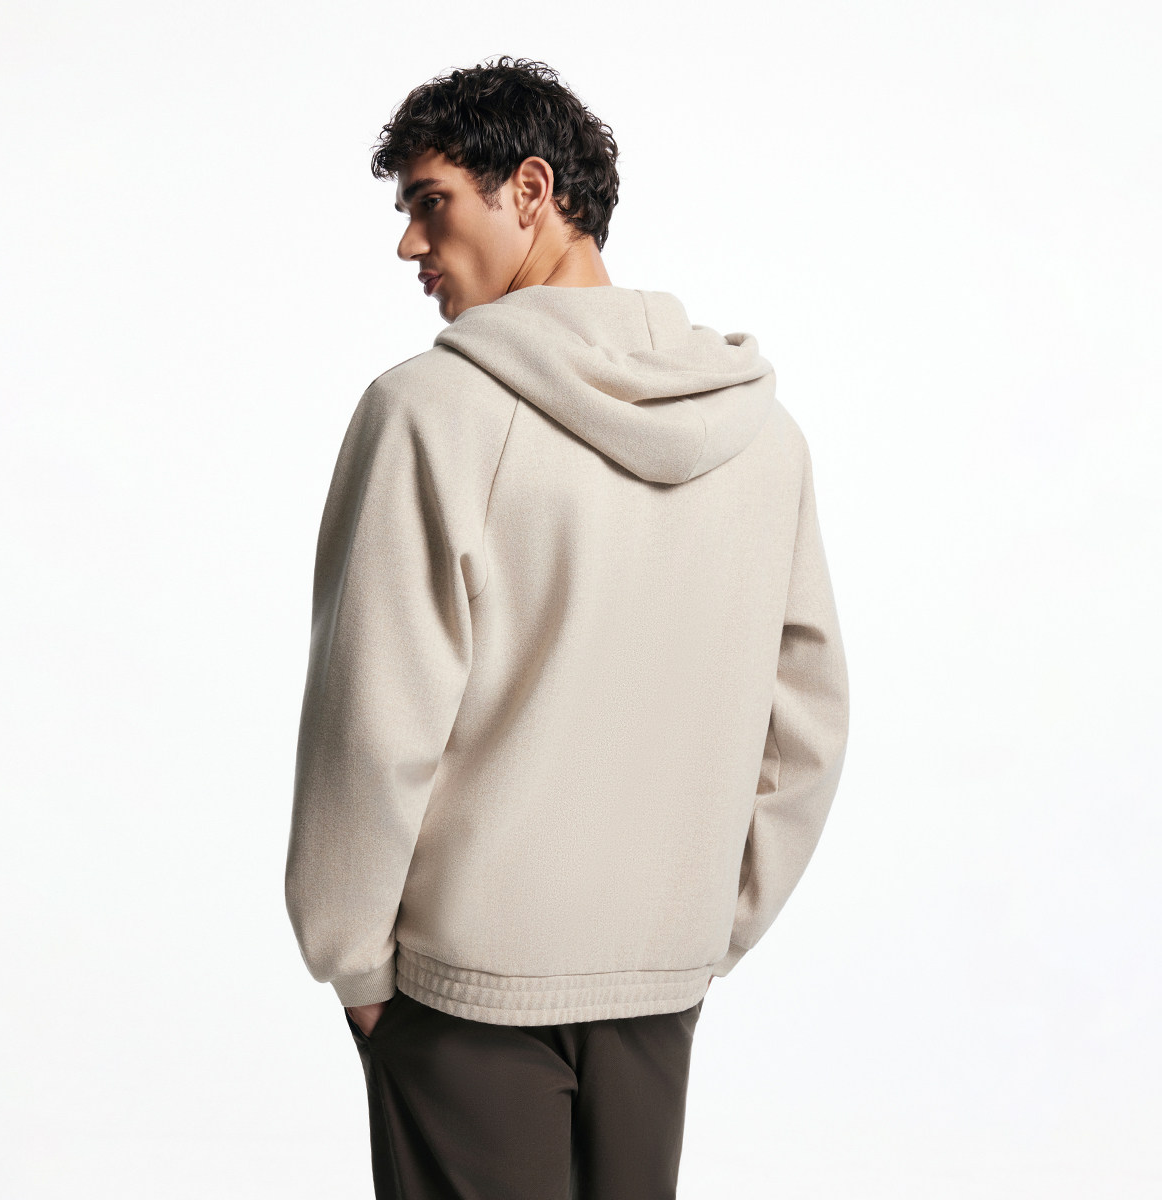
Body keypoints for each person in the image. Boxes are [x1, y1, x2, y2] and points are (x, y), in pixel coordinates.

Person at [285, 55, 850, 1200]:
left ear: (531, 190)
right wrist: (705, 928)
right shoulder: (761, 434)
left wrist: (352, 962)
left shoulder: (428, 415)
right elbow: (808, 724)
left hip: (462, 994)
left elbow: (375, 721)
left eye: (431, 202)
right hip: (660, 983)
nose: (409, 245)